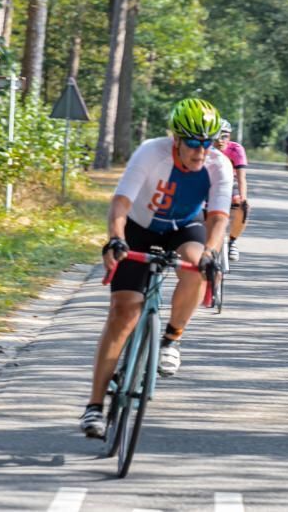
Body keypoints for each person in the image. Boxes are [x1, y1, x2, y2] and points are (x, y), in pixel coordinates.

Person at [79, 98, 233, 438]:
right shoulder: (151, 153)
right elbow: (121, 202)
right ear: (175, 138)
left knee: (197, 266)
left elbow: (219, 217)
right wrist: (116, 239)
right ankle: (94, 407)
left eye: (207, 143)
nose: (201, 151)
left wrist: (210, 253)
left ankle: (171, 339)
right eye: (193, 143)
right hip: (138, 227)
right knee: (123, 311)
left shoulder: (220, 165)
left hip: (183, 227)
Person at [215, 119, 249, 262]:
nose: (220, 140)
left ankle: (232, 241)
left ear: (230, 136)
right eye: (216, 136)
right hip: (209, 181)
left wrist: (243, 199)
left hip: (231, 181)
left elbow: (241, 179)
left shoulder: (236, 149)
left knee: (240, 204)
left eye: (225, 136)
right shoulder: (204, 149)